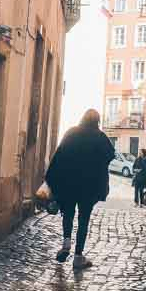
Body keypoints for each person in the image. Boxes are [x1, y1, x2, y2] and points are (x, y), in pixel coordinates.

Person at [45, 108, 115, 271]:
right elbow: (110, 155)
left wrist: (51, 180)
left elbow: (59, 155)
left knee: (68, 214)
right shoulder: (100, 137)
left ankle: (66, 244)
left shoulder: (72, 133)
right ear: (97, 121)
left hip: (68, 184)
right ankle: (78, 256)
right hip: (88, 187)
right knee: (83, 220)